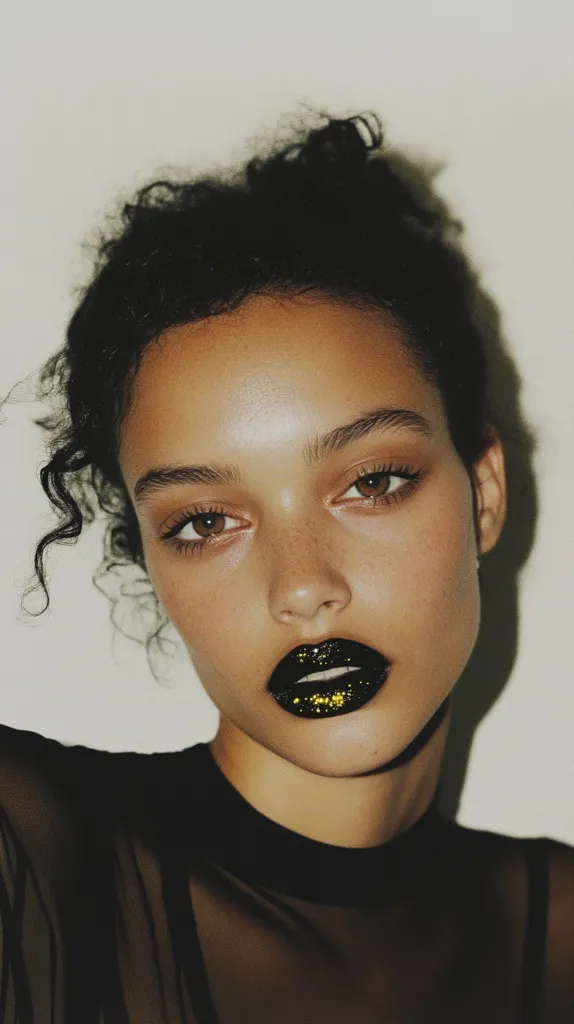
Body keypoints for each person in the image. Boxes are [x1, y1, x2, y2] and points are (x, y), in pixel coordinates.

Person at [0, 110, 572, 1024]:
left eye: (373, 481)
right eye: (206, 522)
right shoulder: (30, 855)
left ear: (486, 494)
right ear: (150, 562)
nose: (303, 586)